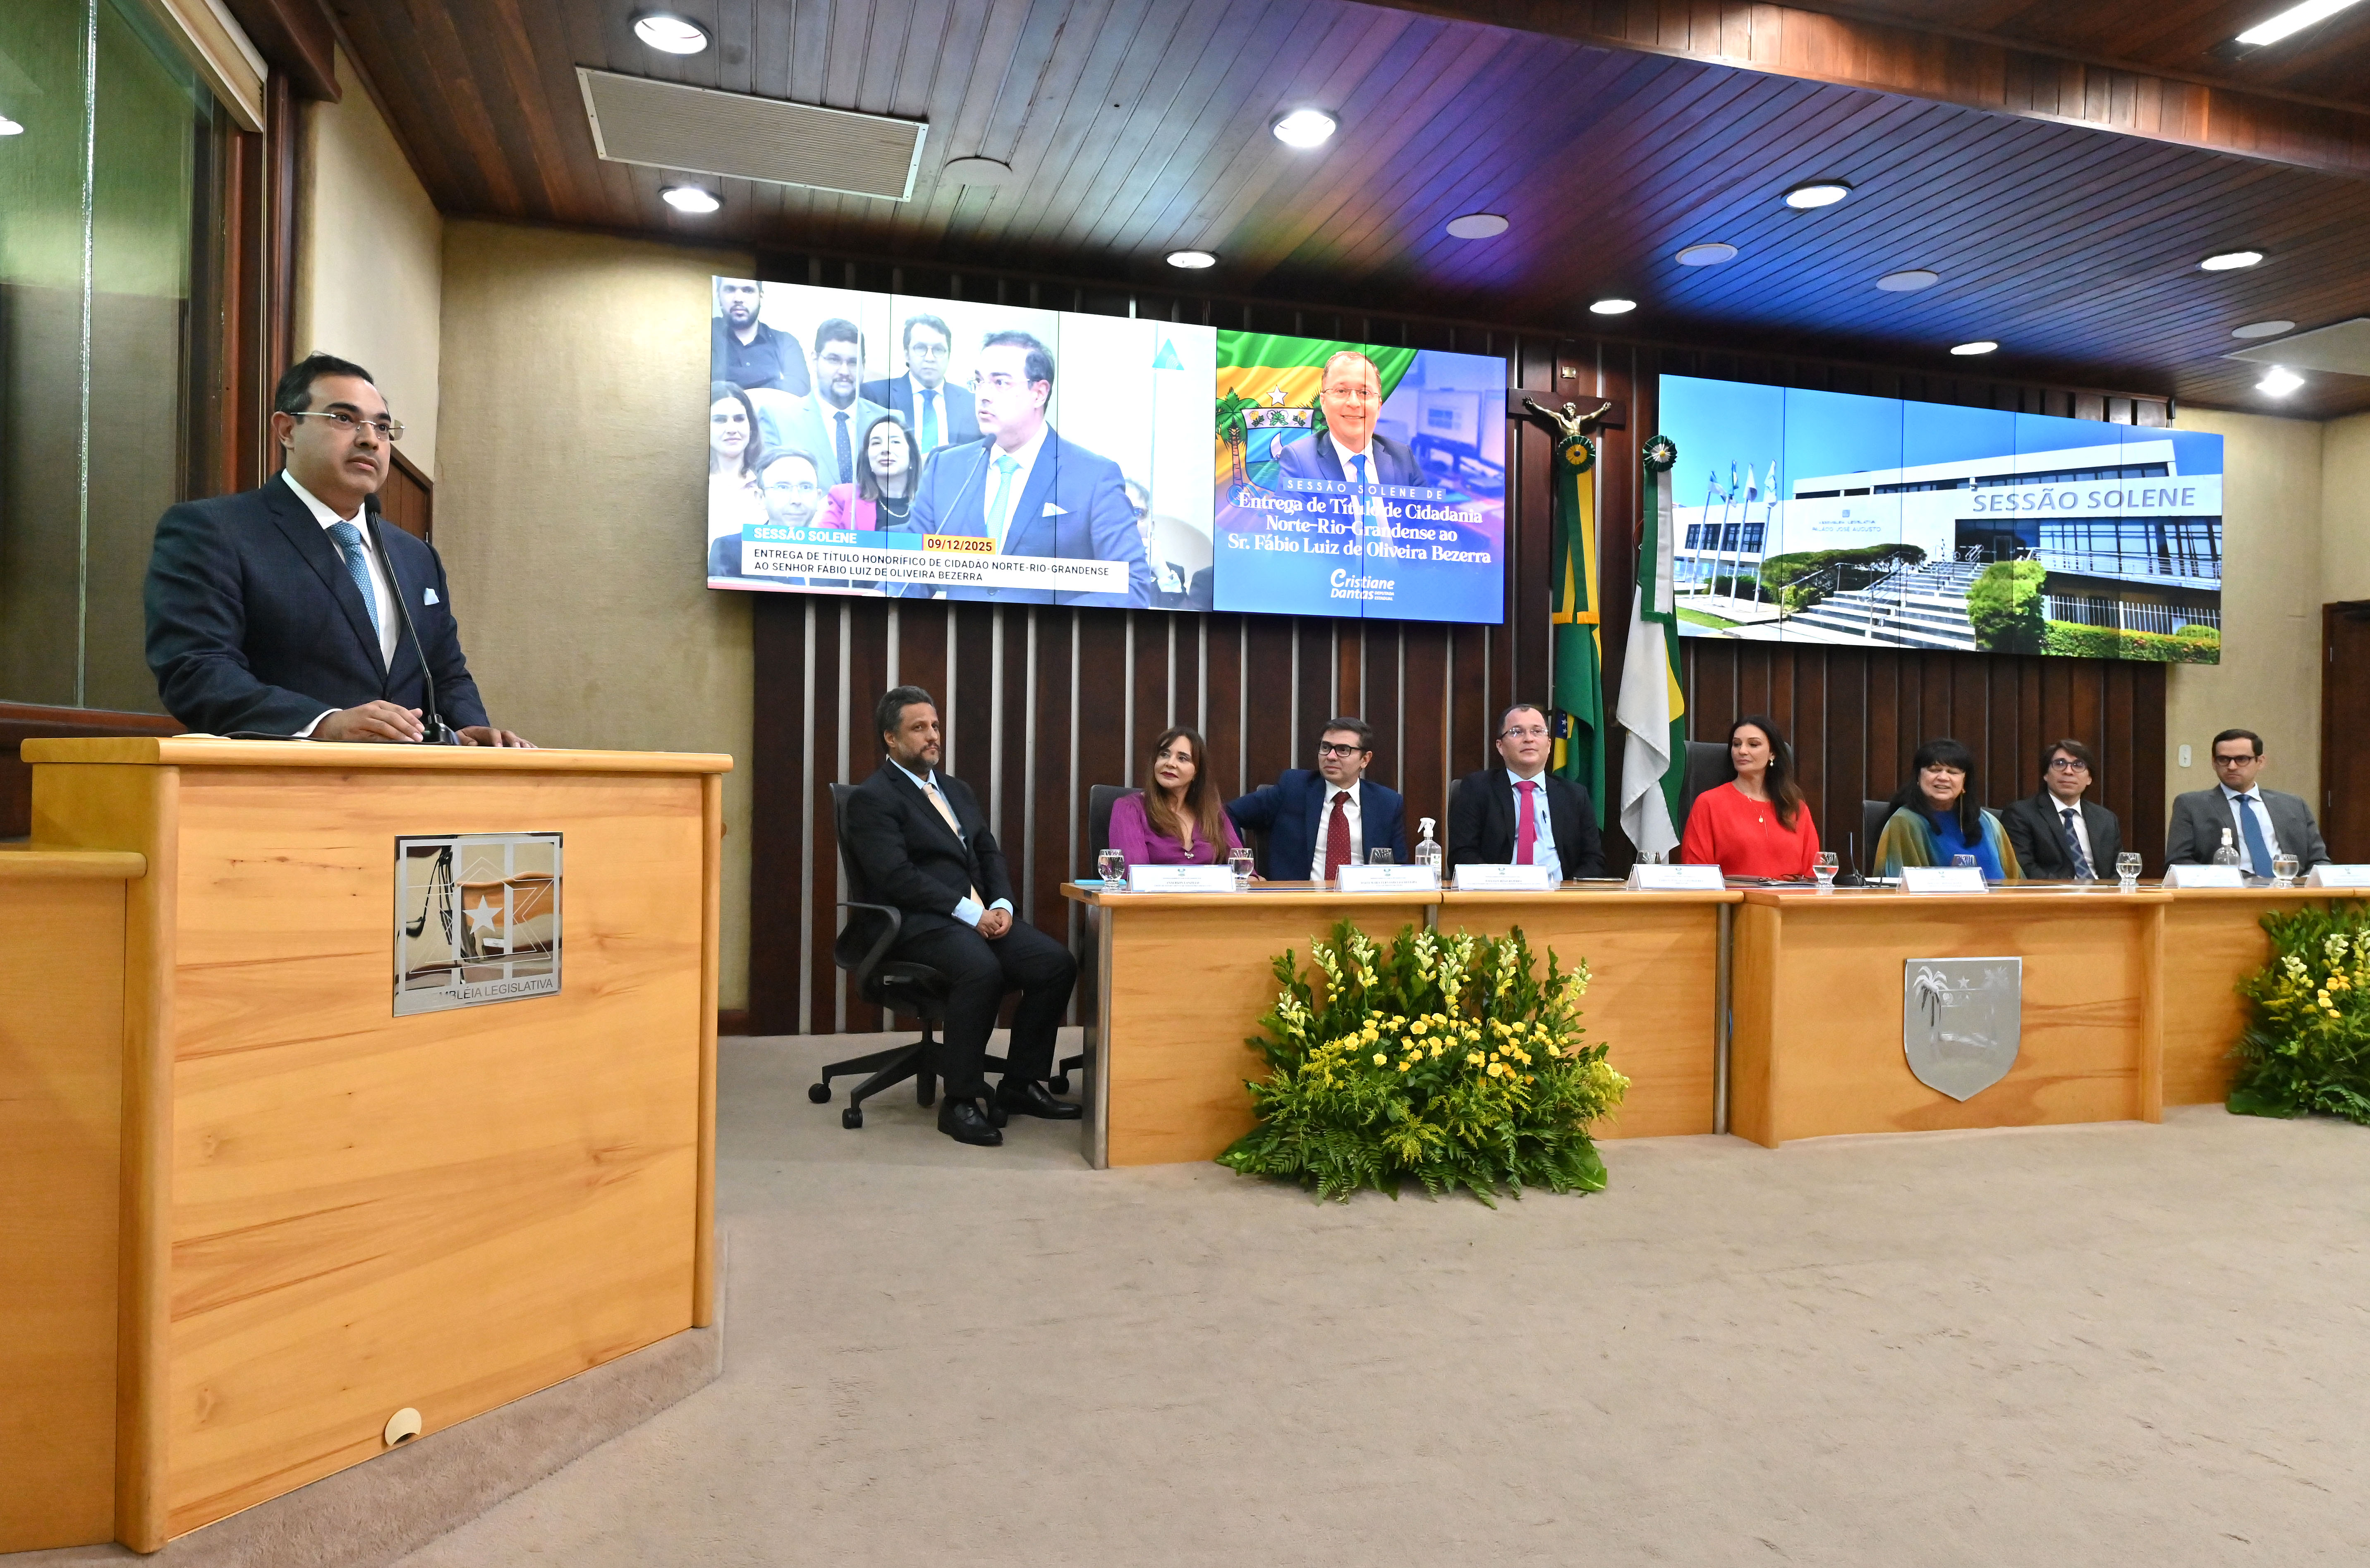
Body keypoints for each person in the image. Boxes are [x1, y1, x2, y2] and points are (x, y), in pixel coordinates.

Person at [145, 352, 529, 746]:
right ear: (287, 430)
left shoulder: (415, 556)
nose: (369, 439)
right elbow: (196, 669)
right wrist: (324, 724)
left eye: (383, 428)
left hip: (411, 776)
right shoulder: (215, 530)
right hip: (282, 775)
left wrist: (470, 730)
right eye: (344, 419)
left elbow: (446, 673)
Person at [840, 686, 1079, 1146]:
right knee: (981, 970)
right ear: (891, 738)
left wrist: (1003, 905)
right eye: (919, 728)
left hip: (976, 915)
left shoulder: (956, 790)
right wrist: (971, 913)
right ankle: (960, 1102)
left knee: (1055, 964)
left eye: (935, 725)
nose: (933, 736)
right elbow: (897, 878)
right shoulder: (874, 798)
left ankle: (1020, 1084)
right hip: (915, 922)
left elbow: (988, 852)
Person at [906, 329, 1153, 608]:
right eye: (979, 382)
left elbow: (1132, 586)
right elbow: (912, 573)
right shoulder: (945, 468)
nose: (983, 395)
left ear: (1039, 393)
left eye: (1000, 382)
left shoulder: (1093, 477)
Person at [1226, 718, 1408, 880]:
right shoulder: (1293, 788)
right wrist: (1244, 869)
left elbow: (1399, 868)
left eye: (1343, 750)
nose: (1331, 757)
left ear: (1365, 759)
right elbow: (1227, 813)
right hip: (1299, 900)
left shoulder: (1387, 803)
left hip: (1363, 900)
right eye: (1326, 747)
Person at [1447, 703, 1604, 879]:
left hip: (1560, 892)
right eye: (1517, 732)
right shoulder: (1477, 788)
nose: (1529, 739)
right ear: (1500, 746)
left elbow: (1593, 859)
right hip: (1499, 891)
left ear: (1549, 745)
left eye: (1537, 731)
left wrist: (1568, 890)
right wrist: (1498, 883)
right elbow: (1462, 854)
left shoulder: (1575, 795)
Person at [2165, 728, 2329, 872]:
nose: (2232, 767)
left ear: (2260, 762)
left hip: (2288, 889)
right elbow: (2178, 862)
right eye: (2224, 759)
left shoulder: (2293, 805)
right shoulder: (2192, 805)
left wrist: (2306, 885)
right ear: (2214, 763)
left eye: (2242, 759)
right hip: (2228, 892)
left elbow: (2319, 861)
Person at [1678, 714, 1820, 878]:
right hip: (1733, 895)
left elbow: (1813, 876)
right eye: (1737, 744)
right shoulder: (1709, 804)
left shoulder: (1796, 807)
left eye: (1753, 744)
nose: (1742, 751)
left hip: (1792, 895)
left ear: (1772, 753)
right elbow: (1697, 874)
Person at [1276, 350, 1431, 489]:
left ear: (1379, 406)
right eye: (1341, 391)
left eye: (1364, 393)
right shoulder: (1299, 459)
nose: (1354, 403)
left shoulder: (1403, 457)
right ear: (1323, 402)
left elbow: (1429, 512)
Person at [1874, 738, 2022, 880]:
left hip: (2001, 898)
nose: (1943, 778)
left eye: (1953, 772)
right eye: (1935, 770)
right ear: (1918, 777)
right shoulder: (1905, 822)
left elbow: (2017, 881)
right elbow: (1906, 887)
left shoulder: (1988, 822)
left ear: (1964, 782)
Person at [1108, 727, 1245, 867]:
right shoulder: (1130, 809)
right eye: (1164, 755)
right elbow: (1134, 873)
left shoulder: (1212, 813)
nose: (1170, 763)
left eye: (1182, 758)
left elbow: (1243, 870)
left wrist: (1250, 877)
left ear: (1196, 772)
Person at [2000, 739, 2123, 881]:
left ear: (2089, 778)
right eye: (2060, 764)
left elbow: (2118, 870)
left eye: (2078, 765)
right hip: (2051, 892)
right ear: (2046, 775)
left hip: (2103, 892)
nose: (2068, 771)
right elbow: (2024, 867)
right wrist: (2067, 889)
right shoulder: (2020, 814)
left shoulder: (2106, 819)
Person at [861, 313, 979, 455]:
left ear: (949, 355)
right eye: (921, 348)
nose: (930, 358)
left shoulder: (972, 403)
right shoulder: (876, 396)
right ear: (907, 354)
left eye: (938, 350)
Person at [709, 449, 822, 580]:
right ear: (761, 498)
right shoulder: (731, 550)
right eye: (783, 487)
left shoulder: (838, 553)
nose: (796, 500)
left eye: (806, 487)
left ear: (818, 498)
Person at [709, 277, 810, 394]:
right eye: (730, 290)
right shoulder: (705, 334)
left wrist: (728, 387)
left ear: (761, 297)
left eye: (748, 290)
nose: (738, 299)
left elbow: (801, 389)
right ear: (719, 296)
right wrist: (772, 384)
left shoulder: (785, 342)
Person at [819, 414, 916, 533]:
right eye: (876, 443)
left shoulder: (929, 506)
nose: (885, 449)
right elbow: (823, 542)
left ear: (912, 457)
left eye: (895, 442)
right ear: (867, 458)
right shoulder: (845, 499)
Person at [708, 381, 766, 541]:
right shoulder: (687, 485)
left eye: (739, 419)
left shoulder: (768, 483)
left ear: (751, 426)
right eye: (720, 420)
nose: (732, 429)